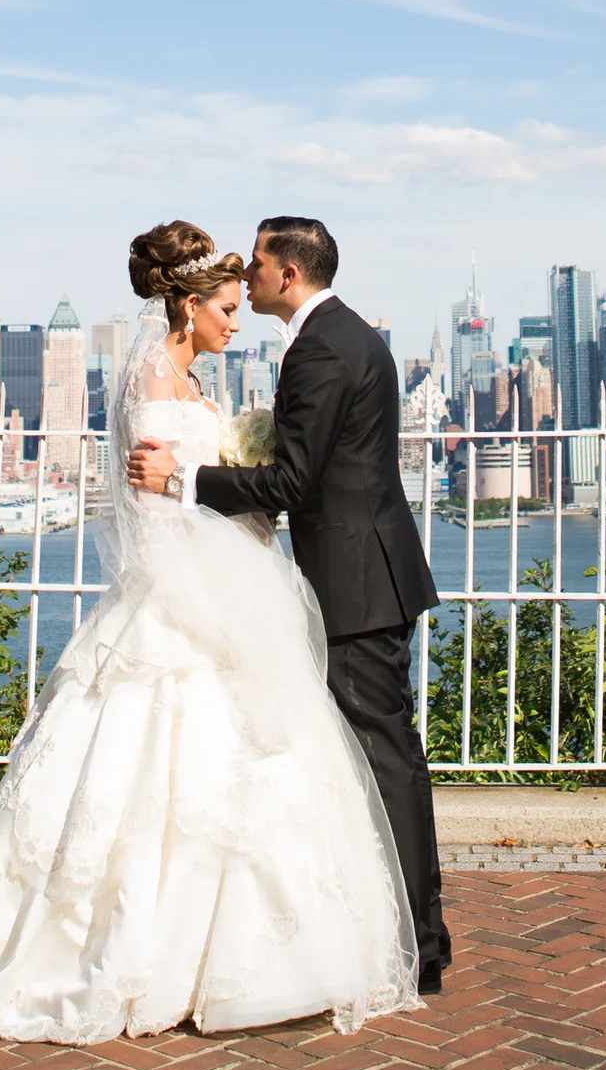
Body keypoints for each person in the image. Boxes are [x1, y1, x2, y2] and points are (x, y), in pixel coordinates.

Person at [0, 221, 419, 1043]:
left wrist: (235, 503)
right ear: (187, 308)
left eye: (241, 300)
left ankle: (251, 956)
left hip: (225, 584)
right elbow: (157, 525)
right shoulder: (155, 386)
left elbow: (218, 490)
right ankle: (155, 957)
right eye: (225, 307)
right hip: (181, 609)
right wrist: (223, 586)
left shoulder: (191, 383)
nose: (236, 321)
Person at [125, 214, 451, 995]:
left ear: (289, 274)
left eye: (260, 264)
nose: (249, 277)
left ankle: (418, 940)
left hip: (357, 585)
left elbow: (295, 481)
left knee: (384, 757)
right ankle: (399, 928)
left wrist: (189, 478)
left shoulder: (323, 346)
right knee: (369, 756)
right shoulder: (342, 336)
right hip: (351, 574)